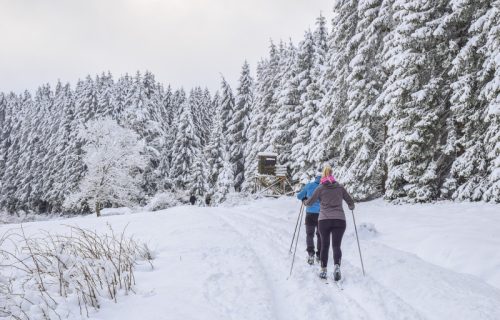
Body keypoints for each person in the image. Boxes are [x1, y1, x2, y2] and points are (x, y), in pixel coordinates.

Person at [305, 164, 354, 281]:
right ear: (332, 175)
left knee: (325, 245)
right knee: (336, 245)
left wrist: (305, 202)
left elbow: (310, 202)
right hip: (339, 220)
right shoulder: (340, 187)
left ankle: (323, 270)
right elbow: (350, 201)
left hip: (324, 220)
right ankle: (337, 266)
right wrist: (351, 206)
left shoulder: (320, 188)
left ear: (323, 175)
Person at [296, 169, 322, 265]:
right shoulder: (325, 187)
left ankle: (311, 254)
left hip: (310, 214)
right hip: (322, 214)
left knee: (309, 234)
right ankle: (319, 255)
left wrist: (304, 198)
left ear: (316, 178)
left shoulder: (309, 185)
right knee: (320, 235)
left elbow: (299, 196)